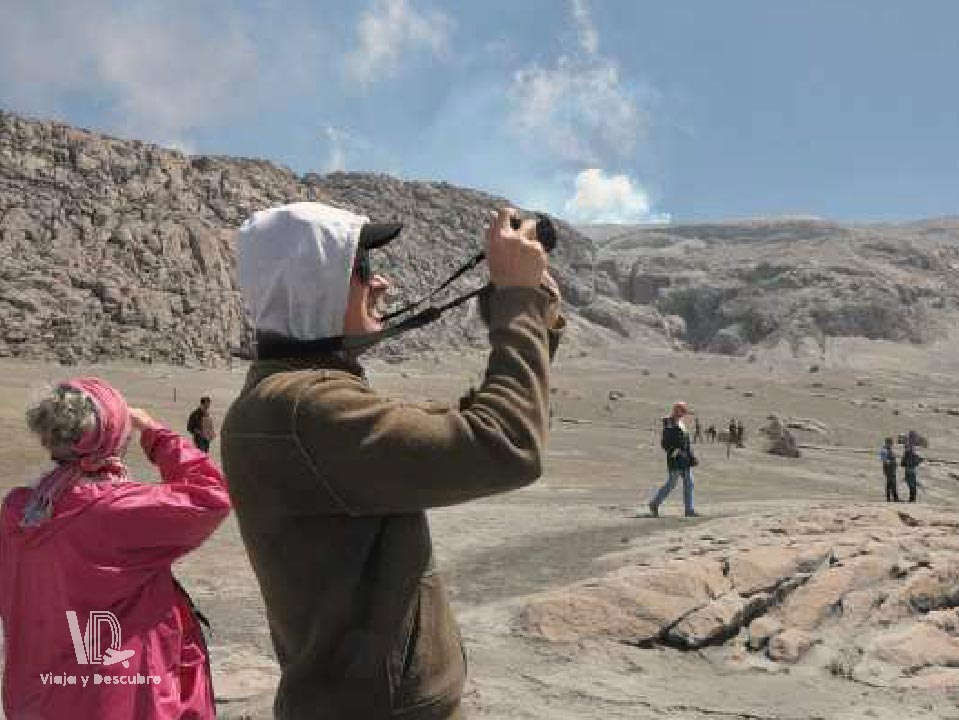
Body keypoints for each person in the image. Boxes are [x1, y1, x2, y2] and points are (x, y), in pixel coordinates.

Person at [221, 202, 564, 719]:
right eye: (360, 268)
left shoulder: (299, 398)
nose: (382, 284)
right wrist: (518, 303)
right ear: (316, 284)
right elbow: (506, 445)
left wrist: (531, 316)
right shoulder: (305, 409)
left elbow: (458, 434)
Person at [0, 378, 231, 719]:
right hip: (120, 697)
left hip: (40, 692)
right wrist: (155, 434)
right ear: (109, 436)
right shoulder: (122, 509)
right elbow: (212, 495)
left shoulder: (20, 510)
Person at [649, 401, 698, 518]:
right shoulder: (669, 424)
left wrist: (692, 456)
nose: (684, 413)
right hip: (675, 459)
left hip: (685, 459)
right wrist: (675, 451)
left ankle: (689, 510)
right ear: (677, 410)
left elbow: (686, 443)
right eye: (682, 411)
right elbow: (665, 442)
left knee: (689, 483)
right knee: (671, 484)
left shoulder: (681, 423)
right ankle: (654, 503)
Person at [880, 437, 899, 502]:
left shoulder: (888, 449)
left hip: (891, 468)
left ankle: (891, 498)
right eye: (891, 443)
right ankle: (894, 498)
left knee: (891, 483)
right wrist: (891, 462)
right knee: (891, 483)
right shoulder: (884, 450)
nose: (891, 444)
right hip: (889, 469)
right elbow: (884, 460)